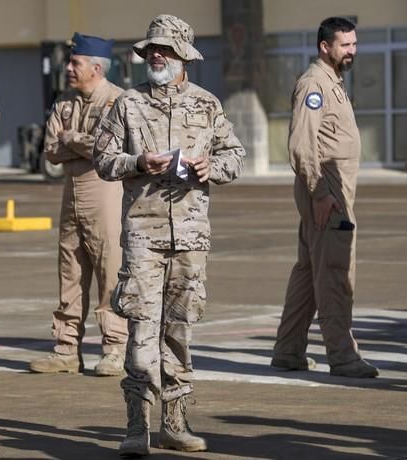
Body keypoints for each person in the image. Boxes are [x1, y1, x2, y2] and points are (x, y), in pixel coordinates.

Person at [94, 14, 245, 456]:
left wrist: (209, 168)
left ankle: (174, 424)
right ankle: (136, 427)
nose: (156, 56)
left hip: (191, 236)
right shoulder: (127, 104)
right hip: (143, 233)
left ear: (184, 58)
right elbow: (103, 159)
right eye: (151, 50)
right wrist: (138, 163)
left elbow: (234, 155)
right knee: (142, 330)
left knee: (179, 329)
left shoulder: (207, 104)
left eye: (165, 50)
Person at [271, 17, 378, 378]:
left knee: (308, 271)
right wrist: (319, 193)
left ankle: (288, 350)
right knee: (334, 272)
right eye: (345, 45)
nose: (352, 50)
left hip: (330, 194)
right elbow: (302, 145)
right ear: (324, 47)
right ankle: (343, 356)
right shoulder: (314, 84)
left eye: (354, 43)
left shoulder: (333, 82)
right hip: (327, 196)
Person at [29, 33, 127, 376]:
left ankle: (115, 348)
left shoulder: (118, 101)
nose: (69, 68)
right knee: (69, 273)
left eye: (76, 63)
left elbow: (107, 148)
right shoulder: (64, 102)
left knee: (109, 272)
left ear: (96, 68)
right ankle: (66, 348)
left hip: (105, 195)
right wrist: (78, 143)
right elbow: (51, 150)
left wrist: (71, 138)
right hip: (70, 195)